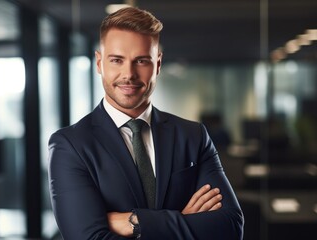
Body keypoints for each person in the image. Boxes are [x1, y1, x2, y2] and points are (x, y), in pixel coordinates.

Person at [48, 7, 244, 240]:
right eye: (117, 60)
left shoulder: (193, 136)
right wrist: (183, 219)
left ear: (158, 64)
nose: (128, 74)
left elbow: (230, 227)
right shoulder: (71, 146)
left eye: (141, 61)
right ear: (99, 63)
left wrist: (136, 222)